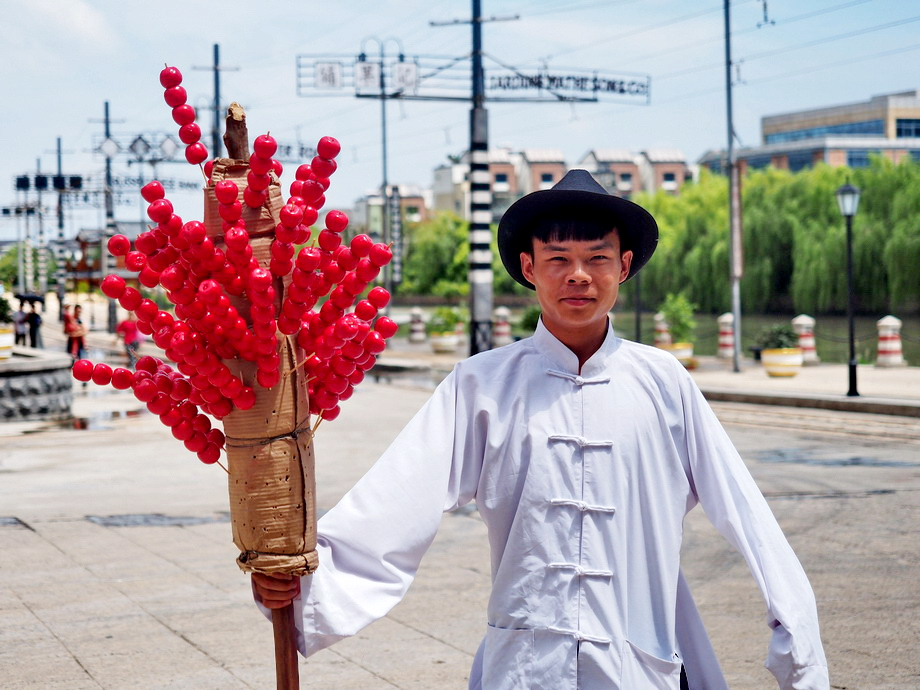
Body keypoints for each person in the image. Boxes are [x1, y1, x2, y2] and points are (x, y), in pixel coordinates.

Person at [252, 170, 829, 689]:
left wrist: (799, 644)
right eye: (557, 259)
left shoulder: (664, 383)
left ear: (623, 267)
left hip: (638, 662)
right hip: (526, 667)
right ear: (529, 268)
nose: (578, 276)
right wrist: (304, 580)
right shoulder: (480, 386)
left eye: (597, 258)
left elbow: (748, 514)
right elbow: (398, 497)